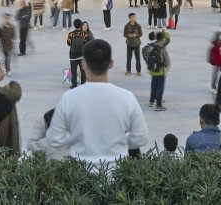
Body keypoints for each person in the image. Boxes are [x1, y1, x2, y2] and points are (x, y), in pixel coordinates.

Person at [46, 39, 150, 167]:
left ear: (84, 64)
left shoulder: (69, 98)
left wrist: (79, 140)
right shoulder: (127, 97)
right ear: (111, 64)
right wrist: (119, 140)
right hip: (118, 172)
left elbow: (54, 139)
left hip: (80, 174)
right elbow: (141, 137)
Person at [144, 30, 171, 111]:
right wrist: (167, 67)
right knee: (160, 87)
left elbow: (146, 55)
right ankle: (159, 105)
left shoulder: (151, 46)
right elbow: (167, 60)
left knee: (153, 85)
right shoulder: (162, 46)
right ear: (162, 39)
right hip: (161, 70)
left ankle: (151, 101)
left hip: (152, 70)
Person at [67, 19, 93, 88]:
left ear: (74, 25)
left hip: (73, 55)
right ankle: (83, 83)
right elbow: (86, 43)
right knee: (83, 70)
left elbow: (69, 43)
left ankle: (74, 85)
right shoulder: (85, 34)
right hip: (82, 55)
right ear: (81, 25)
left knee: (73, 70)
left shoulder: (71, 34)